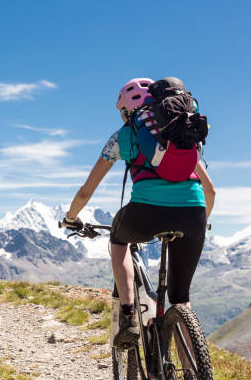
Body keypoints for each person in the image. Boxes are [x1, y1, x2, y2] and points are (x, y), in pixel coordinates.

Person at [61, 77, 216, 348]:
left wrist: (71, 218)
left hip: (146, 213)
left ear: (124, 111)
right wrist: (203, 222)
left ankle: (129, 316)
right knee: (181, 300)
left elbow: (86, 191)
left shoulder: (123, 136)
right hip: (194, 214)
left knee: (119, 239)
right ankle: (194, 370)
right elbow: (211, 190)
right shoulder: (180, 134)